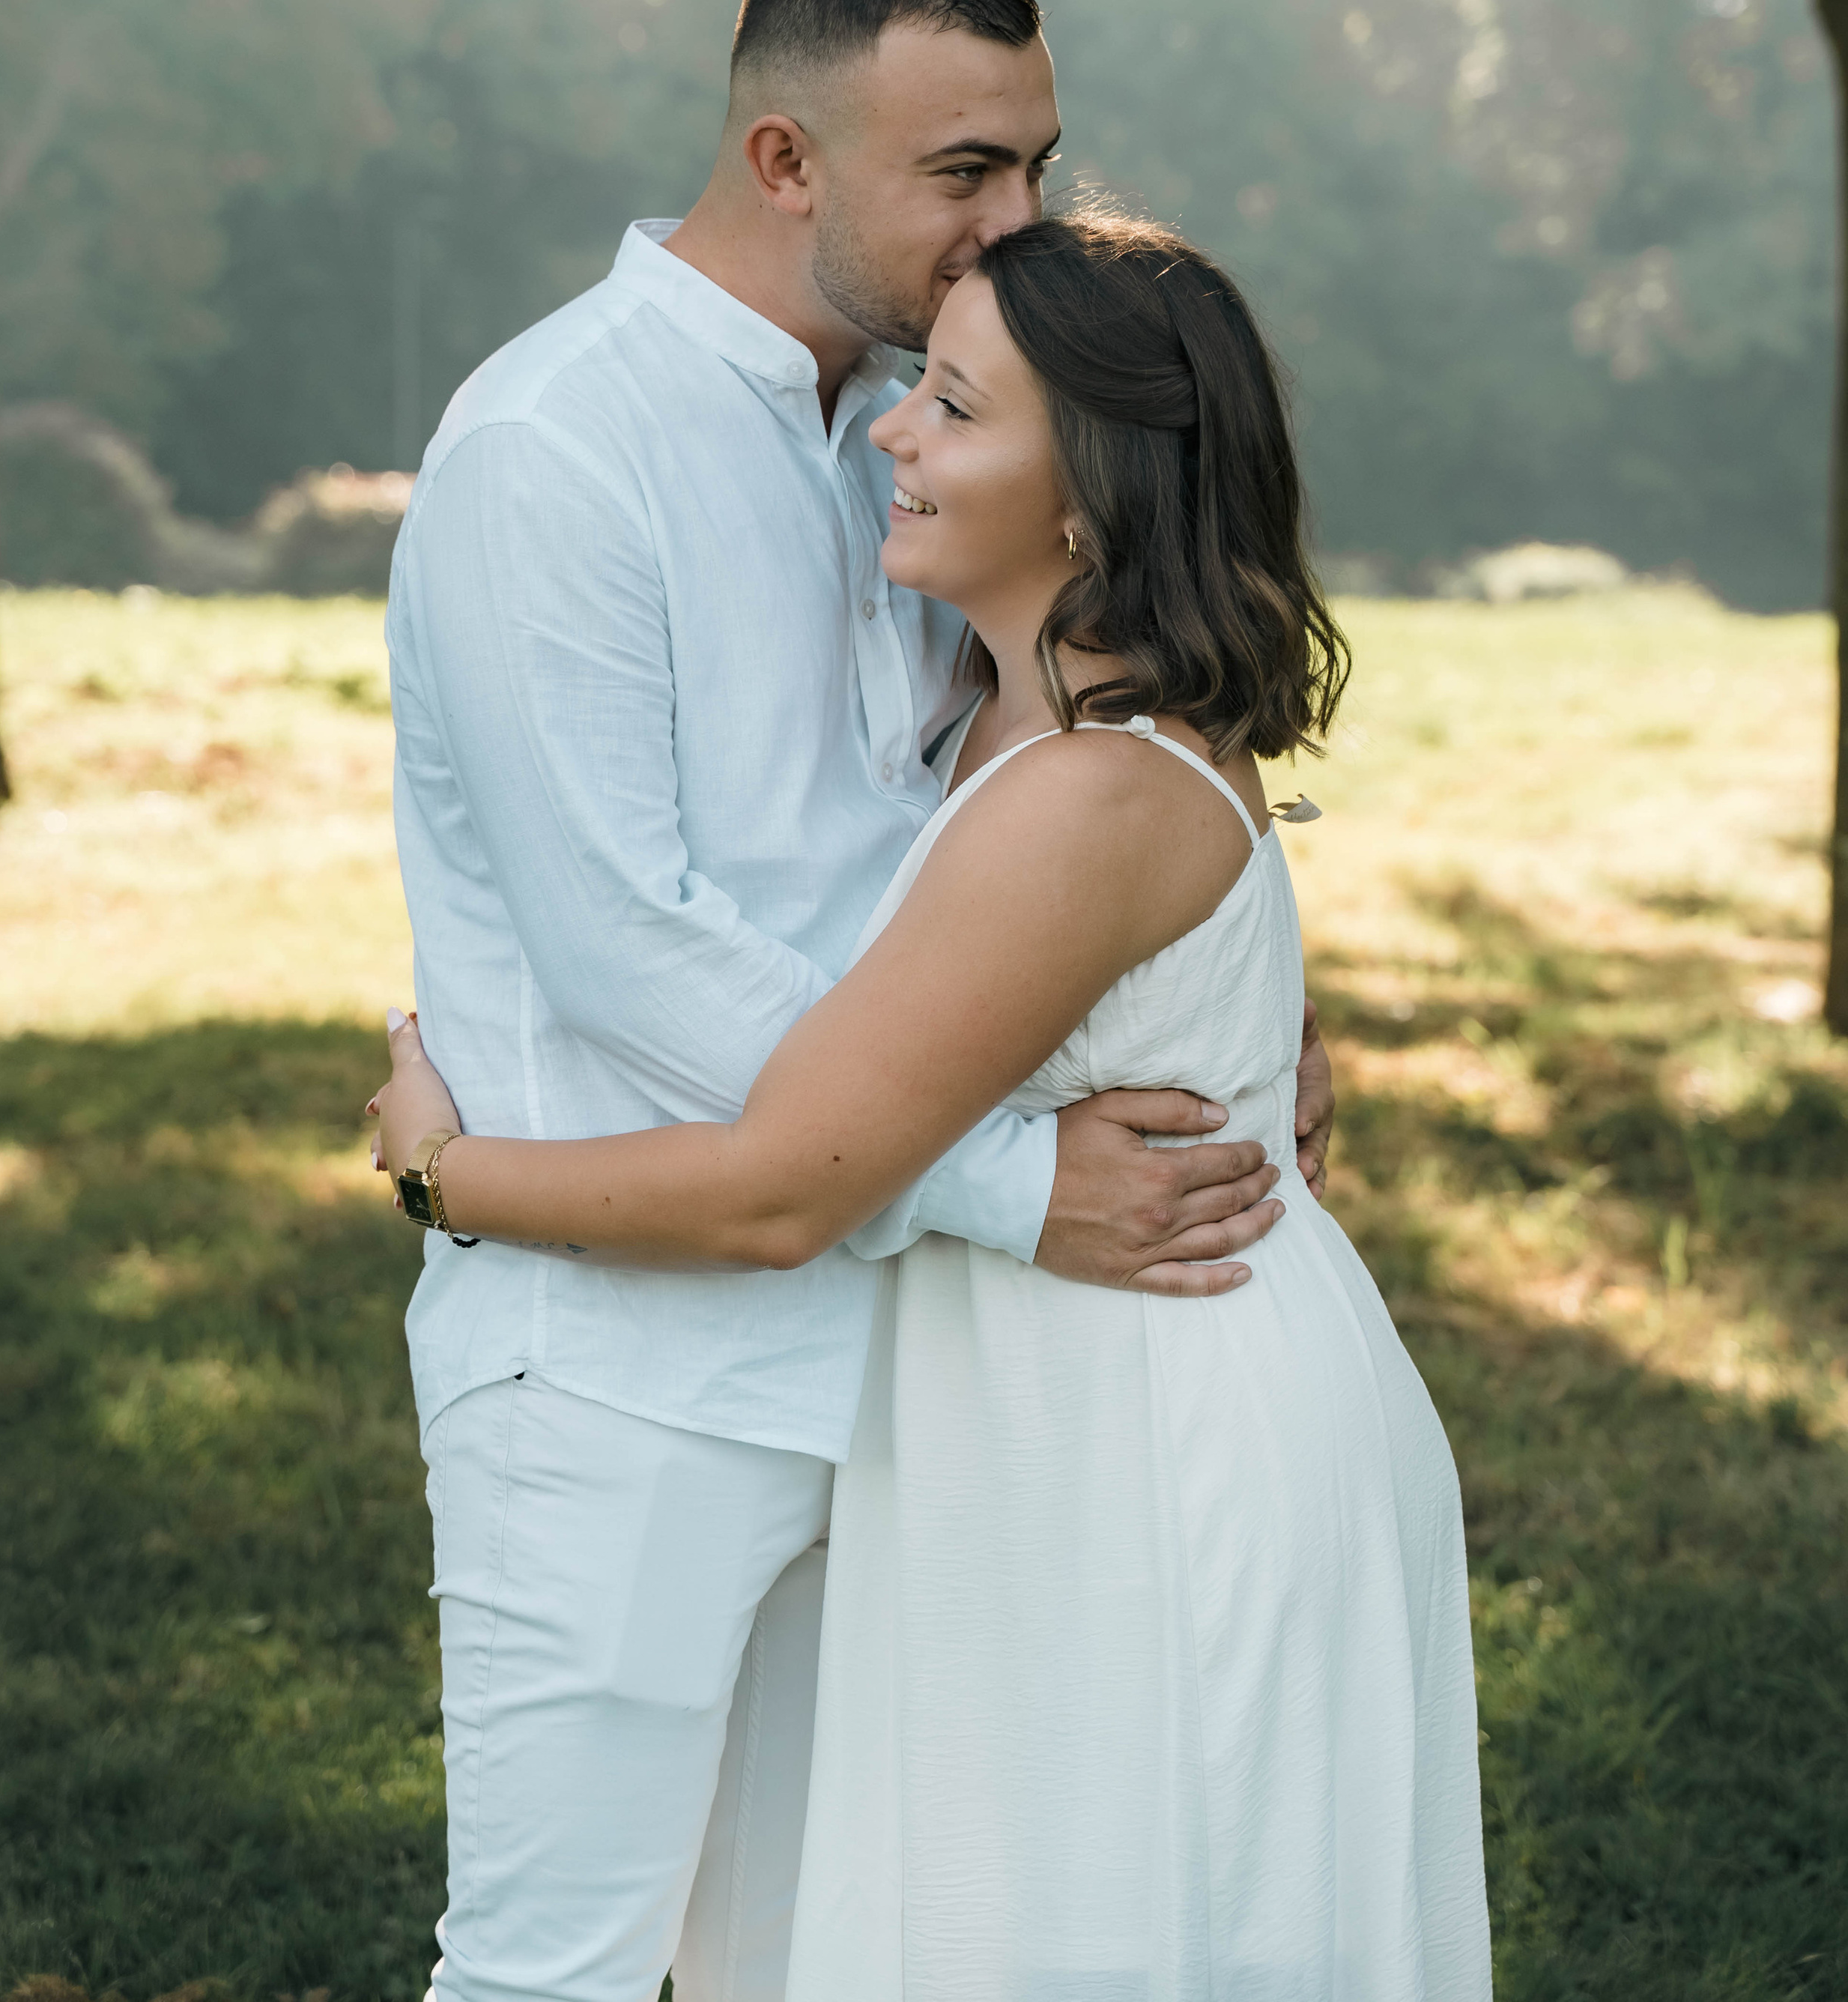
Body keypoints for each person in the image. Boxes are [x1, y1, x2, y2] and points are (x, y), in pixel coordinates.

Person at [375, 208, 1491, 2001]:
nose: (894, 430)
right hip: (1060, 1388)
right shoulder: (1011, 700)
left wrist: (448, 1173)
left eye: (954, 409)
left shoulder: (1079, 787)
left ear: (1089, 500)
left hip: (1151, 1413)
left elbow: (778, 1187)